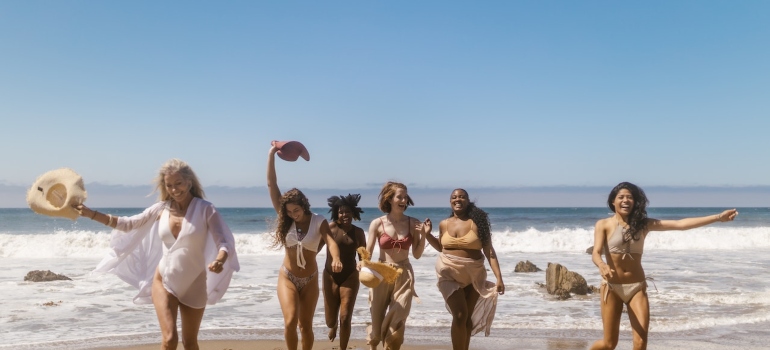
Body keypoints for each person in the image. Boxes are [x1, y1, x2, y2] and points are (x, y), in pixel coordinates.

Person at [78, 158, 239, 350]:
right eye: (169, 185)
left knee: (190, 343)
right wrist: (91, 214)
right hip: (164, 280)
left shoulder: (206, 209)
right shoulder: (161, 209)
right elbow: (127, 224)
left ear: (189, 182)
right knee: (169, 340)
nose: (174, 189)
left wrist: (220, 259)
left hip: (195, 282)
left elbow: (224, 240)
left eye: (178, 183)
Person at [590, 182, 738, 350]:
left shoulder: (643, 224)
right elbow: (596, 253)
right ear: (613, 202)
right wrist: (602, 265)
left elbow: (680, 225)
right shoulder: (603, 224)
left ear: (635, 202)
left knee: (640, 343)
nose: (625, 200)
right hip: (611, 288)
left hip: (636, 288)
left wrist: (718, 217)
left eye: (630, 197)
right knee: (609, 344)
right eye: (621, 197)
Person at [266, 145, 343, 350]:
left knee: (305, 326)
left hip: (309, 279)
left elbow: (330, 241)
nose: (293, 214)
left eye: (296, 210)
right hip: (288, 277)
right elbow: (271, 184)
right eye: (289, 211)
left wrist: (335, 258)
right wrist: (271, 155)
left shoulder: (318, 221)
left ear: (304, 205)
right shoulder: (286, 219)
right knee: (291, 321)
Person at [424, 189, 504, 350]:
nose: (457, 199)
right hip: (448, 273)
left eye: (461, 197)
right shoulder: (443, 224)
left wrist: (499, 278)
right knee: (459, 315)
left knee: (467, 319)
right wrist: (427, 235)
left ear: (468, 200)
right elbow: (441, 247)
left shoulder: (478, 224)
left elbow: (489, 252)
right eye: (454, 197)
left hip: (473, 275)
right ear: (450, 201)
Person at [365, 181, 431, 350]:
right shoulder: (377, 223)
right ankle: (373, 342)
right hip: (381, 272)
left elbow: (416, 254)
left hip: (404, 273)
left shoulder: (413, 223)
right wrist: (363, 264)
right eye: (399, 197)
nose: (403, 200)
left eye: (405, 197)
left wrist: (423, 235)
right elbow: (368, 251)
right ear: (390, 199)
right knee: (377, 321)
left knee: (398, 319)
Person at [318, 194, 367, 350]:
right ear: (336, 213)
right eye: (340, 212)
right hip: (330, 276)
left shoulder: (358, 232)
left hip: (350, 277)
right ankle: (333, 327)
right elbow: (315, 249)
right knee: (330, 321)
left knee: (345, 317)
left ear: (353, 212)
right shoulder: (331, 228)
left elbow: (363, 256)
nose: (344, 215)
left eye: (347, 212)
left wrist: (362, 263)